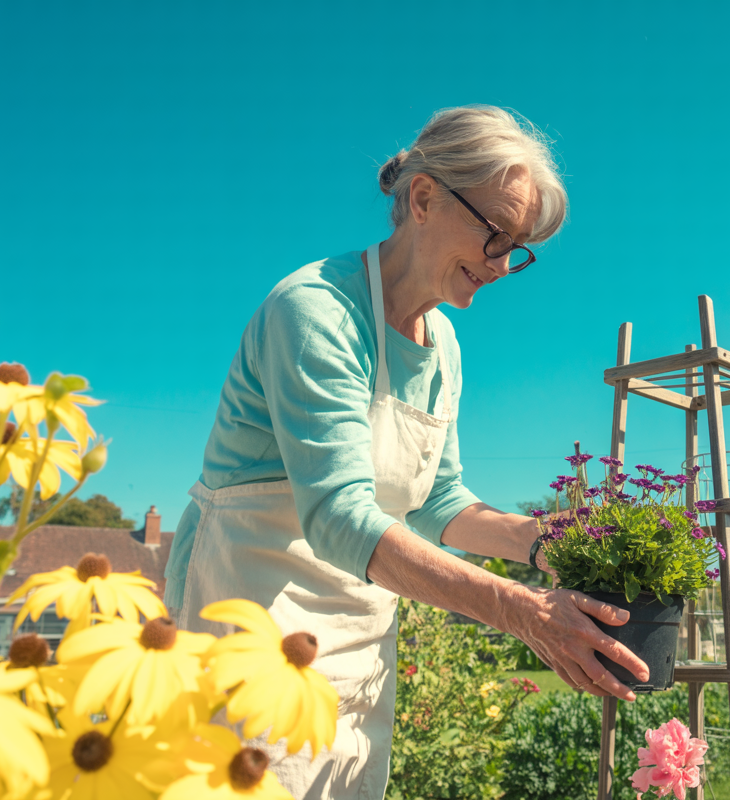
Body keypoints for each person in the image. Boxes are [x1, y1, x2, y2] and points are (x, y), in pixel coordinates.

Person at [165, 105, 648, 800]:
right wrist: (520, 609)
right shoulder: (316, 311)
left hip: (356, 630)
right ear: (423, 198)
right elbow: (337, 514)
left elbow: (436, 501)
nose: (504, 265)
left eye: (518, 248)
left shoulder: (443, 347)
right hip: (250, 613)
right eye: (494, 235)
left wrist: (554, 544)